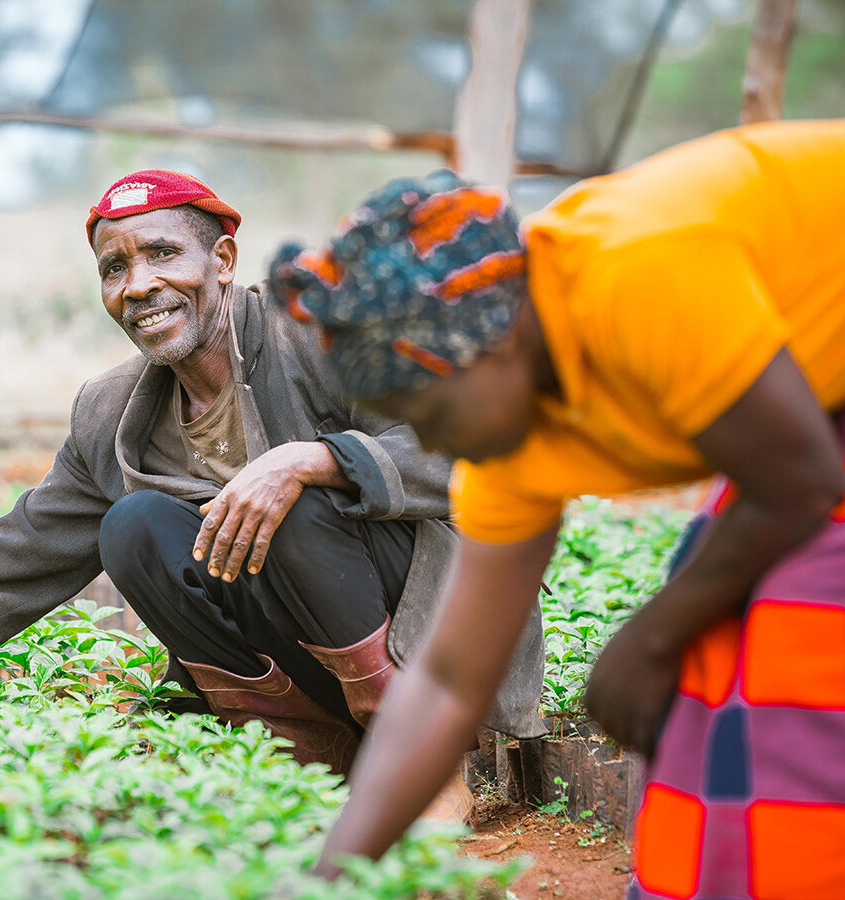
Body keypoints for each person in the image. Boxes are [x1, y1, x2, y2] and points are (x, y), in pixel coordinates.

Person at [0, 169, 546, 798]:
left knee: (291, 494)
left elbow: (481, 448)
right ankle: (304, 753)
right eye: (114, 267)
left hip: (435, 650)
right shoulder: (111, 413)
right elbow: (1, 570)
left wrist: (316, 458)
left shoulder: (322, 338)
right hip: (308, 659)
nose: (138, 286)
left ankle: (425, 758)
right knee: (133, 524)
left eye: (163, 253)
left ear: (222, 262)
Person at [269, 120, 845, 898]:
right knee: (711, 672)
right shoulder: (508, 448)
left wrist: (649, 638)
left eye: (423, 410)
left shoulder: (635, 273)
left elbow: (804, 483)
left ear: (491, 343)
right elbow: (446, 681)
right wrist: (325, 878)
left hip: (813, 447)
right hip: (812, 432)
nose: (424, 438)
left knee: (793, 648)